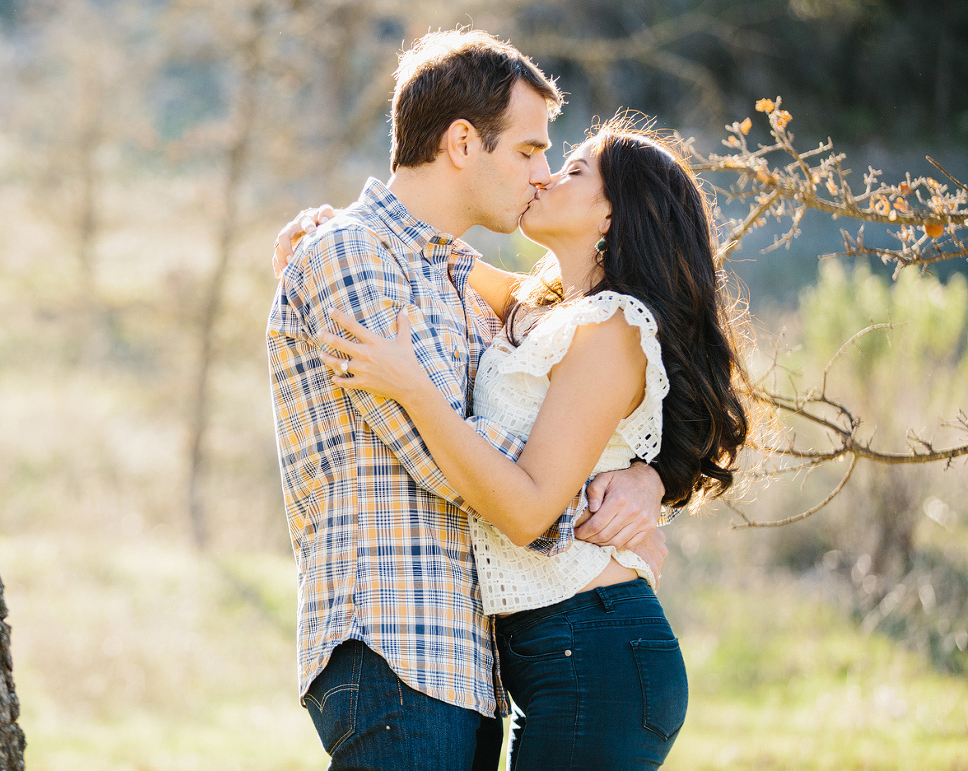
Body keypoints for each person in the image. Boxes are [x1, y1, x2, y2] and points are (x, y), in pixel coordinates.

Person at [266, 29, 669, 771]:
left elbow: (596, 391)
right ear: (460, 143)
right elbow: (454, 464)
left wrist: (646, 475)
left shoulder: (462, 287)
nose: (542, 174)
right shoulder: (354, 255)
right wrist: (581, 496)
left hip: (469, 662)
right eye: (527, 151)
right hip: (395, 645)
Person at [311, 118, 750, 768]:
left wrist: (414, 390)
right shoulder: (540, 308)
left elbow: (526, 512)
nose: (545, 174)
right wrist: (332, 228)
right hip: (554, 650)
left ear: (611, 215)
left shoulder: (611, 326)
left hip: (593, 645)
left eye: (574, 171)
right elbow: (428, 255)